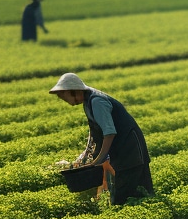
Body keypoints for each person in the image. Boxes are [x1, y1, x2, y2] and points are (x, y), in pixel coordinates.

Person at [50, 73, 153, 204]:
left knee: (130, 193)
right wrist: (85, 156)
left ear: (74, 91)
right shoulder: (88, 102)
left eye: (65, 98)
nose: (67, 102)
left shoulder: (97, 101)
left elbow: (109, 132)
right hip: (121, 150)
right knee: (129, 191)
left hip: (130, 150)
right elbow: (94, 133)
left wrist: (99, 159)